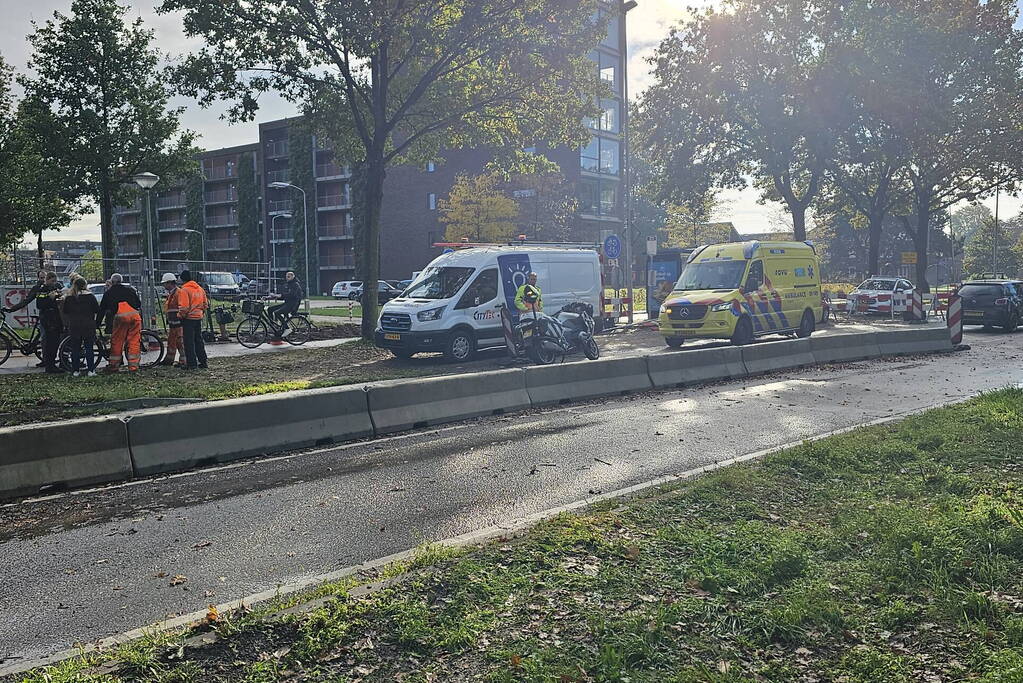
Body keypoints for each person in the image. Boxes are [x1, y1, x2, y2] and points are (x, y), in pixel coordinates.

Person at [96, 273, 143, 373]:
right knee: (134, 341)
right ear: (121, 281)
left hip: (120, 319)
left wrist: (97, 323)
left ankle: (114, 366)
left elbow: (102, 310)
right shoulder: (130, 290)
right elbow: (138, 304)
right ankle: (133, 367)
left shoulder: (109, 293)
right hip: (135, 317)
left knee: (117, 341)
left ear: (112, 282)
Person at [2, 270, 49, 367]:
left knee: (45, 338)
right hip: (43, 315)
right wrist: (11, 309)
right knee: (44, 337)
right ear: (38, 279)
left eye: (44, 278)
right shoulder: (37, 288)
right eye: (41, 278)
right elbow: (26, 301)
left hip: (50, 317)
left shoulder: (53, 286)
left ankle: (46, 360)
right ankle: (45, 359)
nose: (43, 280)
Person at [61, 275, 100, 376]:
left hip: (74, 325)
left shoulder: (70, 298)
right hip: (88, 324)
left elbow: (65, 310)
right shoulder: (90, 296)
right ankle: (91, 370)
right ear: (85, 285)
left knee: (75, 348)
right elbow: (96, 309)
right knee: (89, 348)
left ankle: (75, 370)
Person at [31, 272, 66, 373]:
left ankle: (52, 365)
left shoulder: (53, 289)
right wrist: (50, 299)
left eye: (55, 281)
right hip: (48, 320)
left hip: (55, 319)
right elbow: (40, 304)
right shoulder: (42, 290)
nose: (54, 283)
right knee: (50, 344)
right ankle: (50, 366)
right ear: (47, 280)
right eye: (52, 281)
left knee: (55, 344)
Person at [177, 269, 209, 370]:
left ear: (182, 279)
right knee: (198, 340)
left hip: (188, 319)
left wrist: (180, 315)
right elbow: (205, 304)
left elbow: (184, 307)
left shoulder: (184, 290)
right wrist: (200, 312)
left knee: (189, 342)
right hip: (198, 318)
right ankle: (203, 362)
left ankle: (191, 364)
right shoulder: (199, 289)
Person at [159, 273, 186, 367]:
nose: (164, 285)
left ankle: (183, 361)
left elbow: (181, 307)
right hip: (173, 324)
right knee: (171, 342)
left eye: (165, 283)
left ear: (170, 283)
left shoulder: (178, 293)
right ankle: (169, 360)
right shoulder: (172, 294)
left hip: (178, 324)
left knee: (180, 343)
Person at [268, 270, 303, 336]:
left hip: (293, 305)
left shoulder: (295, 284)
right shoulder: (288, 284)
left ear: (293, 277)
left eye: (288, 276)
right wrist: (272, 297)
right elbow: (284, 295)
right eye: (286, 276)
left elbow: (291, 294)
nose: (287, 278)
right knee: (270, 309)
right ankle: (273, 326)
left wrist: (280, 295)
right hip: (287, 303)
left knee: (277, 313)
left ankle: (287, 329)